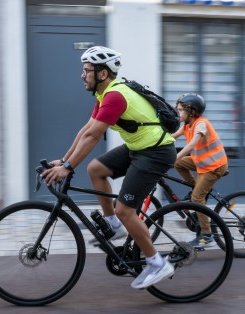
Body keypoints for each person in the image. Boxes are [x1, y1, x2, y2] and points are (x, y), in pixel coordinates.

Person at [41, 46, 176, 289]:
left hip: (155, 152)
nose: (82, 75)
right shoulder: (104, 95)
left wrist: (69, 167)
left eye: (87, 70)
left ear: (102, 74)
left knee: (126, 210)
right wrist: (64, 161)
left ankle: (157, 263)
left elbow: (94, 137)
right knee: (95, 169)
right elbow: (86, 131)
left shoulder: (115, 96)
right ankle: (114, 226)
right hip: (138, 147)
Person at [171, 94, 228, 248]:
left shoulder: (201, 124)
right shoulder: (187, 125)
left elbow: (190, 146)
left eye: (181, 110)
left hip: (214, 166)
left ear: (192, 111)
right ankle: (196, 187)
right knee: (179, 163)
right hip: (202, 163)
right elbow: (171, 138)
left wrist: (174, 156)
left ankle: (206, 235)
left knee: (197, 198)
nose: (178, 113)